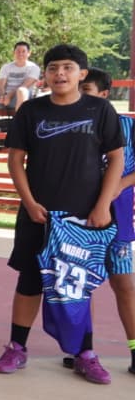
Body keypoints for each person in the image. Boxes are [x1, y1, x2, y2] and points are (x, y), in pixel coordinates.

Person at [0, 44, 124, 383]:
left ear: (82, 73)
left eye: (67, 67)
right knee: (30, 279)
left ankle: (84, 353)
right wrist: (29, 201)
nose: (60, 74)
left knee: (78, 283)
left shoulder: (100, 109)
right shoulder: (32, 111)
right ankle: (16, 348)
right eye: (53, 68)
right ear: (44, 75)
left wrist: (102, 205)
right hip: (39, 214)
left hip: (84, 216)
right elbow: (14, 161)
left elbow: (117, 160)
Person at [72, 69, 135, 375]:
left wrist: (120, 184)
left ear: (105, 94)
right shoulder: (73, 126)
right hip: (78, 223)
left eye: (87, 89)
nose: (81, 94)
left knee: (124, 286)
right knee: (81, 287)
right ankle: (83, 349)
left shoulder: (127, 126)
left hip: (116, 221)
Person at [0, 40, 40, 130]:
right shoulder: (6, 67)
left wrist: (9, 96)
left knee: (21, 91)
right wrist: (2, 96)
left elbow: (25, 85)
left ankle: (19, 124)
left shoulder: (34, 68)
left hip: (22, 99)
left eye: (23, 51)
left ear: (29, 53)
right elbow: (1, 84)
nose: (20, 54)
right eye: (18, 51)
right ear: (14, 53)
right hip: (5, 98)